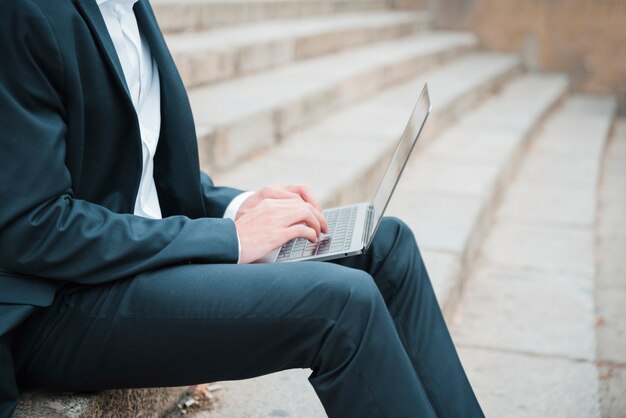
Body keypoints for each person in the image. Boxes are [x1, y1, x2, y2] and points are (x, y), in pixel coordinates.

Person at [0, 0, 484, 416]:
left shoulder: (130, 8)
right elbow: (33, 226)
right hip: (60, 304)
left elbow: (136, 178)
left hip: (132, 262)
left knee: (386, 244)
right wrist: (232, 239)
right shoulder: (26, 13)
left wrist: (240, 206)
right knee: (343, 305)